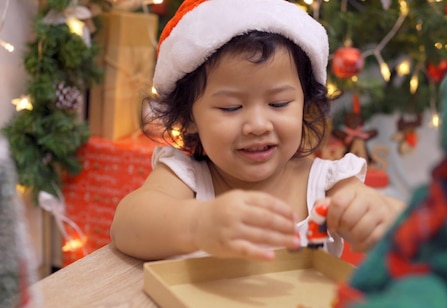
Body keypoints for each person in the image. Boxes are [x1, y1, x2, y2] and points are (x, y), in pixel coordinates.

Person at [111, 0, 404, 261]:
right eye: (230, 108)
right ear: (188, 117)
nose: (258, 126)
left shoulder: (326, 184)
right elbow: (126, 226)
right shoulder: (188, 178)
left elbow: (413, 227)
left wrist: (381, 215)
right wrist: (198, 224)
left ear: (304, 105)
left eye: (278, 103)